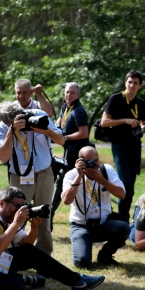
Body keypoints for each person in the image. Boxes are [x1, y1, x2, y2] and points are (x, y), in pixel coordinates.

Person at [0, 186, 105, 290]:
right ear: (1, 203)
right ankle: (25, 279)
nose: (19, 210)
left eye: (22, 206)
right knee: (17, 288)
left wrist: (34, 227)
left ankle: (77, 281)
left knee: (30, 253)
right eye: (16, 206)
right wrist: (16, 223)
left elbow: (26, 243)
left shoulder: (7, 218)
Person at [0, 100, 64, 255]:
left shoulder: (38, 116)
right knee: (16, 217)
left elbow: (61, 140)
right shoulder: (2, 128)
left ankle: (44, 258)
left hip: (44, 174)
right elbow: (4, 158)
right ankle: (14, 255)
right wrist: (11, 132)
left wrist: (44, 130)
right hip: (20, 177)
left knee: (44, 217)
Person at [61, 146, 130, 268]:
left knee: (123, 227)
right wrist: (79, 176)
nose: (94, 164)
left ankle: (105, 255)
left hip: (103, 223)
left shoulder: (106, 170)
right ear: (80, 162)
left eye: (96, 160)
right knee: (82, 263)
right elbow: (66, 201)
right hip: (81, 226)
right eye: (90, 161)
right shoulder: (71, 175)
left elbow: (122, 194)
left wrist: (102, 180)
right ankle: (83, 245)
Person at [99, 70, 145, 222]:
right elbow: (104, 122)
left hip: (134, 146)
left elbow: (144, 124)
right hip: (119, 144)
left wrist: (141, 130)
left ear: (140, 86)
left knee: (131, 184)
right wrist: (125, 120)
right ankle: (122, 218)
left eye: (135, 83)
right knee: (125, 181)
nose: (131, 85)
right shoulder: (116, 99)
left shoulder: (141, 104)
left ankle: (124, 216)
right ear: (125, 83)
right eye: (129, 82)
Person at [51, 82, 91, 228]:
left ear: (78, 95)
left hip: (79, 154)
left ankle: (49, 214)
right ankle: (50, 213)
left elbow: (84, 133)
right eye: (67, 92)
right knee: (60, 182)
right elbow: (60, 121)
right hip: (69, 152)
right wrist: (53, 131)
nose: (69, 95)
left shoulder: (79, 111)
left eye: (72, 92)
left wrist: (65, 137)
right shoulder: (65, 107)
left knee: (61, 182)